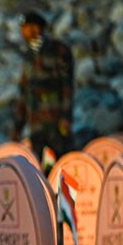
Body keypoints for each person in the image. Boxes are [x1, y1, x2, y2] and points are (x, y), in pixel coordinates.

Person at [12, 10, 75, 159]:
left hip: (55, 119)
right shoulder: (28, 56)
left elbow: (67, 86)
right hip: (36, 122)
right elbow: (24, 91)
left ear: (37, 28)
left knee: (60, 161)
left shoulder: (59, 51)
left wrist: (65, 117)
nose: (23, 32)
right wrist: (18, 126)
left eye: (26, 28)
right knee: (39, 164)